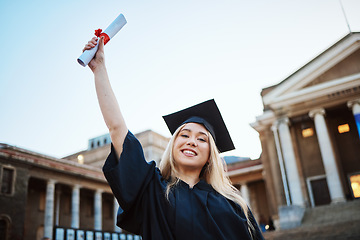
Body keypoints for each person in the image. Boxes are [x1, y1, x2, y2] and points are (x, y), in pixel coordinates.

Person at [83, 36, 264, 240]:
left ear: (210, 155)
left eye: (202, 139)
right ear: (173, 145)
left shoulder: (234, 205)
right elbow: (117, 129)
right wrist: (100, 69)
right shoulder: (153, 190)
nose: (191, 141)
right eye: (184, 135)